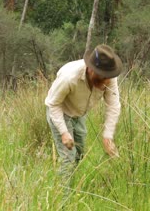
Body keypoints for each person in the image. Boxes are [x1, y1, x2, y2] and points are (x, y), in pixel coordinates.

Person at [45, 44, 123, 186]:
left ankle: (69, 180)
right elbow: (53, 104)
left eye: (108, 77)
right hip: (60, 112)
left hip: (79, 114)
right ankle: (63, 199)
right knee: (68, 158)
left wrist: (108, 136)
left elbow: (113, 105)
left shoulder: (110, 77)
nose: (106, 81)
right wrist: (63, 132)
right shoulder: (69, 77)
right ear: (91, 69)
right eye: (102, 77)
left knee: (79, 153)